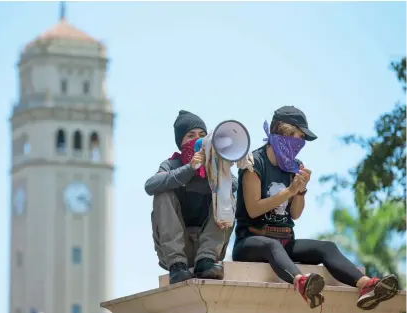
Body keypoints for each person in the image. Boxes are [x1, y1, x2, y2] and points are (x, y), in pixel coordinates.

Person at [232, 106, 399, 310]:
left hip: (285, 241)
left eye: (302, 138)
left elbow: (295, 214)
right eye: (296, 135)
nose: (299, 143)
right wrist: (290, 191)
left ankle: (366, 285)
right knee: (271, 245)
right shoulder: (254, 162)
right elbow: (253, 209)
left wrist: (300, 191)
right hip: (251, 242)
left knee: (327, 247)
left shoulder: (295, 165)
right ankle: (302, 283)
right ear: (280, 131)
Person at [145, 110, 235, 284]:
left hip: (209, 247)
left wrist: (220, 169)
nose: (197, 139)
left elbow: (235, 186)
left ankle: (206, 260)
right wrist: (190, 169)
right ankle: (177, 265)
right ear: (181, 142)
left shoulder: (214, 164)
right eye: (190, 135)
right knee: (162, 191)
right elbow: (150, 185)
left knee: (227, 191)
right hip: (176, 251)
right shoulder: (171, 164)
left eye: (202, 135)